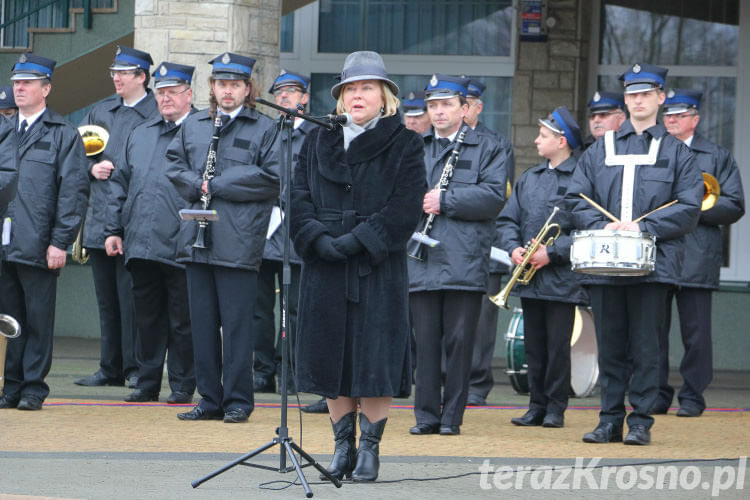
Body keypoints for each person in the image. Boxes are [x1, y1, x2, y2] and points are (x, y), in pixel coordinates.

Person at [290, 51, 426, 482]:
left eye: (366, 87)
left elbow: (406, 207)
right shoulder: (317, 139)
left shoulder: (405, 142)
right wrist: (317, 239)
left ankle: (370, 448)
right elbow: (296, 195)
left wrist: (358, 241)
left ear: (384, 96)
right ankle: (341, 447)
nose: (357, 95)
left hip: (376, 267)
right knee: (332, 356)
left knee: (374, 358)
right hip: (324, 265)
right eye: (350, 88)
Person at [565, 63, 703, 445]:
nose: (638, 100)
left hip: (654, 268)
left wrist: (642, 227)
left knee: (646, 347)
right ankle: (609, 419)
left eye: (646, 94)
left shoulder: (678, 153)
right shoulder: (598, 151)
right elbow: (575, 199)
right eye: (631, 95)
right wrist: (602, 224)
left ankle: (640, 422)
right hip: (604, 265)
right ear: (625, 101)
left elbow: (690, 208)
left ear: (661, 98)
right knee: (610, 346)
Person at [166, 52, 279, 424]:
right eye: (220, 84)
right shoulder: (195, 124)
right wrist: (194, 183)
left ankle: (238, 401)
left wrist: (216, 184)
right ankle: (209, 399)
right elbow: (174, 165)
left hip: (238, 241)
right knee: (201, 325)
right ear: (211, 87)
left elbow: (272, 177)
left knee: (236, 327)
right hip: (195, 239)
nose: (226, 91)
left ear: (248, 89)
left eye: (235, 84)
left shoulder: (264, 128)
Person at [408, 74, 507, 435]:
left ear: (465, 109)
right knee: (426, 342)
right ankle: (426, 416)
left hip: (464, 258)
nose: (438, 112)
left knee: (460, 342)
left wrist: (445, 200)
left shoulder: (490, 147)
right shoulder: (416, 146)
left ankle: (452, 418)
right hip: (422, 258)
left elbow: (495, 196)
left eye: (446, 104)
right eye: (432, 106)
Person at [104, 62, 198, 405]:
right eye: (161, 93)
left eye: (173, 92)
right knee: (145, 317)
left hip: (183, 242)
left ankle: (183, 384)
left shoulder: (202, 130)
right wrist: (113, 229)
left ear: (189, 94)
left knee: (183, 319)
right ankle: (146, 382)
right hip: (141, 241)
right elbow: (120, 184)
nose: (166, 98)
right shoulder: (141, 133)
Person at [0, 54, 88, 410]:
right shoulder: (4, 131)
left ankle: (34, 387)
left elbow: (73, 192)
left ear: (46, 89)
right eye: (17, 82)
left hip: (38, 241)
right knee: (10, 320)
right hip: (4, 243)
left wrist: (60, 242)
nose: (19, 88)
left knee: (38, 317)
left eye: (27, 83)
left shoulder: (62, 134)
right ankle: (12, 386)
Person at [650, 89, 745, 417]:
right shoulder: (653, 149)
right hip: (658, 252)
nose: (672, 121)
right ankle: (655, 394)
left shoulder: (716, 155)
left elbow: (733, 205)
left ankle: (692, 397)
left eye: (679, 115)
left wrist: (690, 211)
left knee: (696, 334)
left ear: (695, 119)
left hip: (697, 255)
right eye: (668, 116)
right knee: (653, 331)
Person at [75, 46, 159, 390]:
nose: (116, 78)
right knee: (107, 301)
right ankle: (109, 366)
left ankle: (136, 367)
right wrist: (92, 167)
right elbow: (76, 155)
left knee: (134, 302)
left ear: (141, 76)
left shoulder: (156, 113)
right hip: (99, 220)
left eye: (123, 73)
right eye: (114, 72)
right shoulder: (101, 111)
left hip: (134, 220)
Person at [498, 106, 587, 428]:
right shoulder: (530, 178)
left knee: (557, 346)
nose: (537, 141)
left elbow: (586, 230)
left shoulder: (581, 179)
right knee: (533, 345)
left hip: (561, 278)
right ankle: (536, 405)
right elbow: (508, 219)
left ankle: (555, 408)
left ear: (562, 141)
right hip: (530, 278)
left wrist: (554, 252)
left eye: (543, 136)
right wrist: (514, 248)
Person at [253, 69, 316, 398]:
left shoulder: (318, 134)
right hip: (264, 234)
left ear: (304, 97)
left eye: (292, 92)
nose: (284, 98)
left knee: (296, 310)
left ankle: (291, 373)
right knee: (259, 309)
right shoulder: (267, 132)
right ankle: (262, 371)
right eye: (280, 93)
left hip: (299, 236)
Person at [462, 77, 515, 407]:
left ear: (478, 108)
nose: (461, 108)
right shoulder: (433, 142)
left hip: (484, 243)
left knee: (480, 321)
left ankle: (478, 383)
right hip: (443, 246)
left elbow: (499, 195)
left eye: (466, 103)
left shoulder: (495, 144)